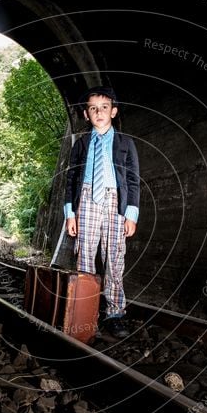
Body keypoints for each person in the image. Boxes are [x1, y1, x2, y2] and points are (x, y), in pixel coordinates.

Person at [64, 86, 140, 339]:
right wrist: (69, 213)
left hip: (115, 201)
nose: (99, 112)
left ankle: (115, 313)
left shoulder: (125, 143)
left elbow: (132, 179)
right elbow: (71, 178)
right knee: (84, 255)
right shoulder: (82, 144)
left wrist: (131, 214)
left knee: (114, 257)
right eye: (93, 108)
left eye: (104, 107)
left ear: (113, 111)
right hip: (86, 198)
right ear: (87, 114)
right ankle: (85, 313)